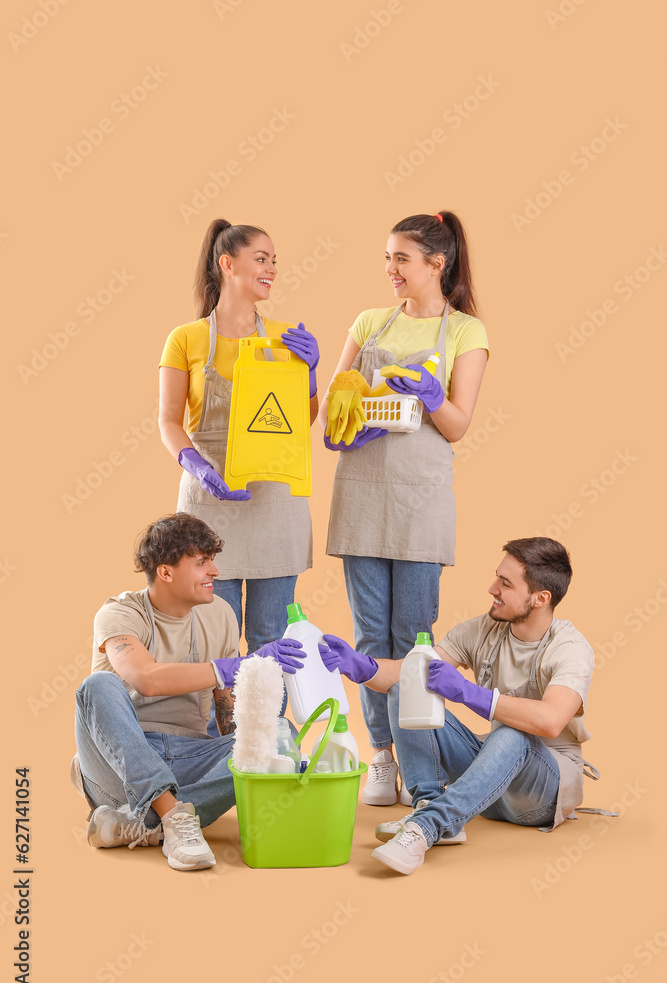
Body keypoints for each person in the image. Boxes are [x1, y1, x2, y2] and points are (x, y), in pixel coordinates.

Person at [319, 211, 489, 805]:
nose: (390, 270)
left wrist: (434, 397)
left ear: (435, 264)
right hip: (362, 495)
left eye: (401, 259)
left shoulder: (467, 331)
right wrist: (352, 430)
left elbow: (458, 425)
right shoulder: (368, 323)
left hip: (421, 502)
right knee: (370, 637)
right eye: (386, 258)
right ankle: (383, 759)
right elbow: (332, 420)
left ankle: (422, 773)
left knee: (414, 638)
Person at [319, 537, 600, 875]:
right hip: (490, 787)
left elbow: (551, 721)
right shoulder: (486, 628)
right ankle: (429, 802)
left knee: (515, 732)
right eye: (497, 576)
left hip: (540, 794)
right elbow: (411, 671)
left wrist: (468, 693)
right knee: (405, 688)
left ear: (540, 598)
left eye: (505, 583)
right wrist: (362, 667)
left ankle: (425, 829)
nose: (492, 588)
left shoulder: (570, 648)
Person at [72, 513, 307, 872]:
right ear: (166, 572)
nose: (214, 571)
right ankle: (173, 817)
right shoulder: (120, 613)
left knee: (279, 733)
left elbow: (226, 711)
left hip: (189, 758)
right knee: (96, 686)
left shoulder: (221, 615)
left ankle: (143, 826)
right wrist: (228, 667)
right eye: (201, 562)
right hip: (120, 766)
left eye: (212, 560)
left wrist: (262, 765)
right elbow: (146, 678)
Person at [159, 219, 320, 736]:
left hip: (273, 498)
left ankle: (266, 742)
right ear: (227, 264)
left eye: (275, 260)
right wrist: (197, 467)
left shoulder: (283, 338)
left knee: (271, 632)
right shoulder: (185, 339)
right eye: (262, 258)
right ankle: (215, 750)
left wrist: (311, 374)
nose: (272, 268)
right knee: (214, 634)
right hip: (208, 503)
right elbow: (167, 420)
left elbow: (300, 422)